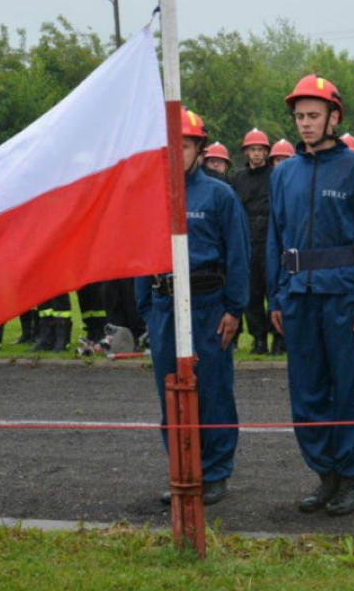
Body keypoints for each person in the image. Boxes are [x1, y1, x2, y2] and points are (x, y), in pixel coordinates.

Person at [267, 74, 354, 517]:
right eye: (299, 116)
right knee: (308, 391)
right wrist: (276, 298)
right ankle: (325, 477)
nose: (305, 124)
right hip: (298, 298)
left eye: (314, 115)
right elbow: (275, 241)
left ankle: (351, 481)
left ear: (334, 117)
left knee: (351, 390)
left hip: (345, 299)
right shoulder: (284, 174)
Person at [136, 107, 250, 506]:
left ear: (199, 148)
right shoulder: (153, 194)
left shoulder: (219, 194)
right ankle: (184, 470)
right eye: (169, 146)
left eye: (182, 145)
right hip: (164, 307)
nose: (175, 152)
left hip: (208, 306)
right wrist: (146, 309)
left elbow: (238, 254)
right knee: (172, 392)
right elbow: (142, 253)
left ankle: (216, 472)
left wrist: (235, 309)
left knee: (213, 391)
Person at [231, 127, 280, 355]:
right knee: (252, 294)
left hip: (271, 238)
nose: (257, 154)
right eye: (253, 149)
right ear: (246, 152)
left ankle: (279, 338)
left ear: (267, 152)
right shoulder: (238, 178)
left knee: (274, 291)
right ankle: (259, 339)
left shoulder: (276, 176)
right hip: (248, 240)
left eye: (261, 149)